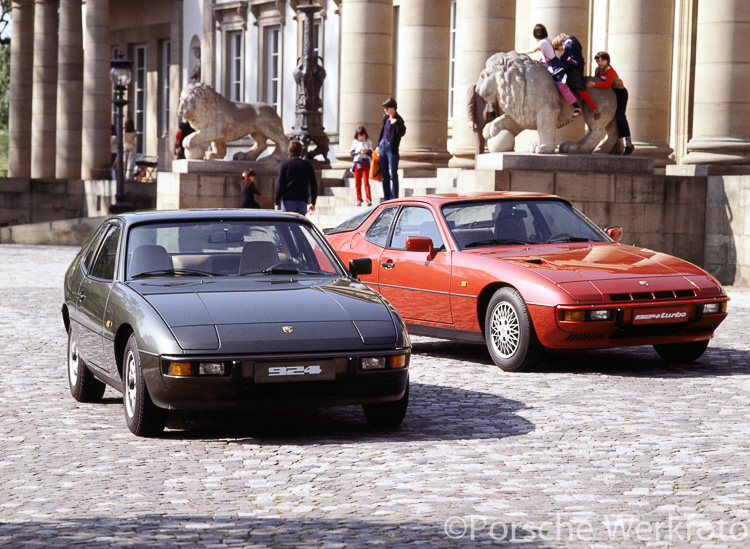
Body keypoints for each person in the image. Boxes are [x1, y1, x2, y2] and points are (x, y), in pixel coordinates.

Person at [521, 24, 581, 118]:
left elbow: (533, 50)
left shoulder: (542, 42)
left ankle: (576, 106)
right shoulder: (547, 40)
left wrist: (520, 52)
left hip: (555, 68)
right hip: (549, 66)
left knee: (562, 86)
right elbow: (543, 53)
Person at [587, 51, 634, 155]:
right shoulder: (598, 70)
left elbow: (607, 84)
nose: (600, 62)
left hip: (620, 93)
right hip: (610, 94)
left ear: (607, 61)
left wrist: (594, 84)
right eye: (598, 60)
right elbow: (598, 80)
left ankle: (629, 143)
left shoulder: (609, 70)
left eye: (602, 60)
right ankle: (618, 144)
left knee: (620, 116)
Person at [552, 33, 600, 120]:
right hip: (571, 67)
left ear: (559, 42)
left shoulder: (569, 40)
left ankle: (593, 108)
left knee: (578, 88)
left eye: (558, 47)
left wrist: (563, 57)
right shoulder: (568, 42)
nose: (560, 49)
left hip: (575, 68)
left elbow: (569, 49)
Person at [274, 139, 318, 215]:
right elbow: (314, 185)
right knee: (299, 224)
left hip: (288, 200)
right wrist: (313, 202)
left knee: (286, 224)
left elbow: (279, 185)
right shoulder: (307, 165)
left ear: (289, 151)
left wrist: (276, 203)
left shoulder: (284, 165)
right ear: (301, 151)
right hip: (302, 201)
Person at [377, 97, 406, 201]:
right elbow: (382, 132)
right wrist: (378, 145)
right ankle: (386, 196)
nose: (385, 110)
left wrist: (396, 123)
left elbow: (402, 132)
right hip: (382, 146)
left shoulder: (399, 119)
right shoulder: (385, 118)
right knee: (384, 174)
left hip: (392, 148)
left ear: (393, 108)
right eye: (384, 108)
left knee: (393, 174)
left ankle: (394, 197)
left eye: (386, 108)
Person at [467, 84, 499, 156]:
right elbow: (470, 105)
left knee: (495, 144)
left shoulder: (493, 86)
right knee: (480, 145)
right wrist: (471, 120)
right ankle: (478, 166)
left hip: (492, 116)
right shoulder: (474, 87)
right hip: (479, 119)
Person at [350, 126, 373, 206]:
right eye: (359, 136)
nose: (361, 137)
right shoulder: (355, 142)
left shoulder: (369, 142)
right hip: (357, 162)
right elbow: (351, 153)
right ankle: (358, 199)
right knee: (357, 183)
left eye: (362, 135)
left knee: (366, 181)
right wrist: (358, 151)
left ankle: (368, 199)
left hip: (365, 162)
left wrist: (366, 151)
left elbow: (370, 154)